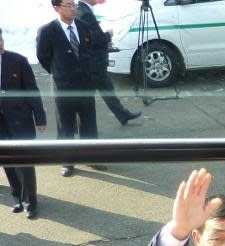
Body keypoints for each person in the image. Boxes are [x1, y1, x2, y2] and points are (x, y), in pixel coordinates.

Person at [36, 0, 101, 178]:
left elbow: (90, 51)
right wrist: (58, 72)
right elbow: (43, 57)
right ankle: (67, 162)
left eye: (74, 4)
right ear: (57, 8)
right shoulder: (47, 31)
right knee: (65, 127)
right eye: (68, 5)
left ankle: (91, 157)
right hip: (64, 88)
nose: (73, 8)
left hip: (86, 86)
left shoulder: (83, 26)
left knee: (89, 124)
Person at [0, 28, 46, 220]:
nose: (0, 42)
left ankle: (31, 201)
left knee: (25, 162)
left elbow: (32, 90)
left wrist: (40, 117)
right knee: (7, 161)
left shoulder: (18, 61)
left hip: (21, 120)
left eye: (0, 37)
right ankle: (17, 195)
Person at [76, 0, 141, 126]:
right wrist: (108, 35)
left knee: (104, 90)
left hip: (92, 62)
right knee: (94, 95)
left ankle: (122, 115)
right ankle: (84, 128)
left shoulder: (82, 10)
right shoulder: (85, 13)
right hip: (94, 63)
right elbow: (96, 39)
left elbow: (90, 36)